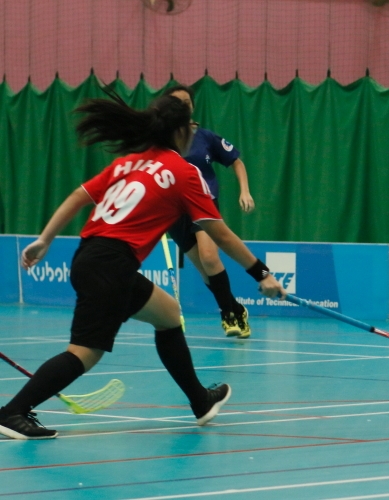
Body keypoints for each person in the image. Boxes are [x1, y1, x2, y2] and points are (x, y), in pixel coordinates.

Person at [0, 92, 285, 440]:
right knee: (84, 353)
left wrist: (45, 239)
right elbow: (220, 234)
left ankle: (199, 400)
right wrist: (262, 274)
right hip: (111, 266)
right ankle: (12, 412)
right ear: (181, 131)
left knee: (168, 314)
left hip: (90, 257)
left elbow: (78, 196)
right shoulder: (183, 171)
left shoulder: (128, 163)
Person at [164, 84, 255, 338]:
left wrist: (244, 191)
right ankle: (234, 310)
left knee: (210, 257)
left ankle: (228, 315)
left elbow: (236, 161)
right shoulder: (161, 140)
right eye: (176, 102)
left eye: (186, 102)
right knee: (205, 271)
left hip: (203, 204)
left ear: (192, 107)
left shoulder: (205, 137)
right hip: (173, 212)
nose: (182, 106)